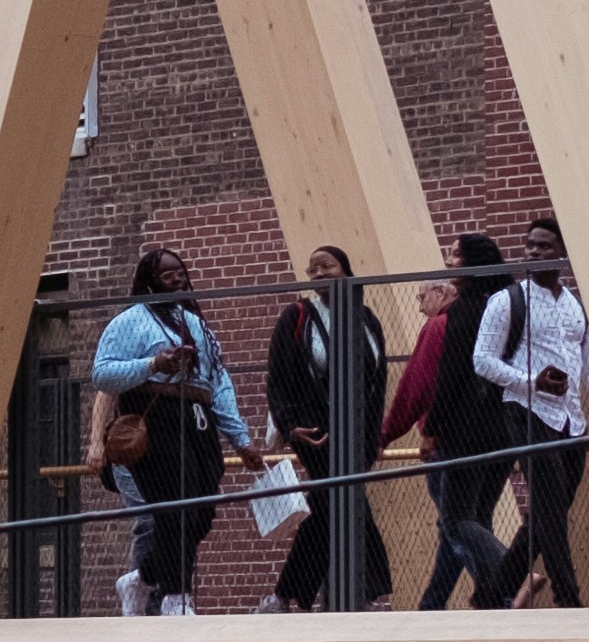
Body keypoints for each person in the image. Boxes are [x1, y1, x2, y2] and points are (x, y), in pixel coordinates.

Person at [87, 249, 249, 615]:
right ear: (149, 281)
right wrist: (154, 363)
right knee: (174, 509)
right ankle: (177, 598)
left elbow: (218, 380)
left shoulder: (195, 322)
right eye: (166, 275)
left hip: (197, 416)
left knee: (200, 513)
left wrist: (241, 439)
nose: (177, 279)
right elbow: (102, 374)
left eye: (180, 272)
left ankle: (142, 578)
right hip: (155, 415)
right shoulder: (129, 321)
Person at [474, 212, 589, 606]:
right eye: (530, 245)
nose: (534, 252)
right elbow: (482, 360)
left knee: (546, 516)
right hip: (525, 411)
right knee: (552, 512)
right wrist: (531, 381)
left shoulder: (576, 307)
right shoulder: (506, 301)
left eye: (544, 246)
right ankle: (569, 600)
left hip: (572, 422)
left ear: (563, 254)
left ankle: (493, 594)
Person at [384, 236, 520, 605]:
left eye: (420, 297)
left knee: (456, 520)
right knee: (475, 520)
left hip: (458, 435)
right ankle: (480, 599)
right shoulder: (506, 307)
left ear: (440, 293)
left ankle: (509, 580)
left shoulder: (447, 322)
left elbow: (425, 385)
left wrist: (414, 432)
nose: (418, 306)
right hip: (506, 431)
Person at [265, 247, 391, 610]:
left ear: (346, 271)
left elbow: (378, 379)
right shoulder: (298, 316)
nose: (318, 274)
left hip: (358, 433)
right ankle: (367, 591)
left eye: (327, 266)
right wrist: (290, 426)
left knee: (327, 509)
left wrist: (374, 435)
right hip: (315, 432)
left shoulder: (366, 318)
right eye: (313, 269)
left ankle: (287, 596)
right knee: (347, 502)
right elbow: (279, 377)